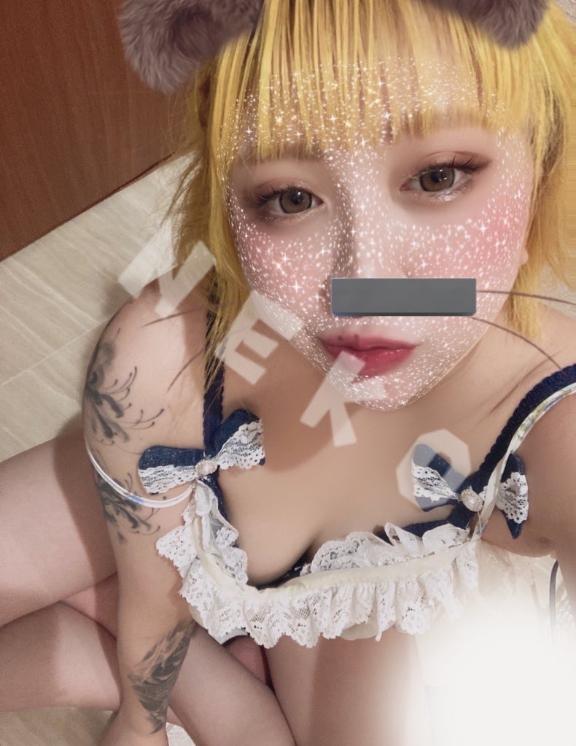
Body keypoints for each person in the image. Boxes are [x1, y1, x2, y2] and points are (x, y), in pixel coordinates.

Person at [2, 1, 576, 744]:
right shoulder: (158, 362)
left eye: (437, 177)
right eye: (292, 198)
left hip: (339, 580)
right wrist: (143, 720)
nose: (364, 285)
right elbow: (150, 593)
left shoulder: (551, 413)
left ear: (545, 156)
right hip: (170, 462)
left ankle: (200, 654)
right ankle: (169, 649)